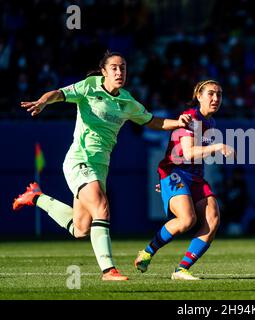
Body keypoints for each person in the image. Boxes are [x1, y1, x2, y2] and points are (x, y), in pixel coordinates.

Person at [12, 51, 192, 281]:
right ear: (104, 71)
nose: (119, 72)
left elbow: (152, 121)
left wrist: (178, 122)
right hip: (80, 159)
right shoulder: (89, 86)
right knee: (101, 206)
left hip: (100, 166)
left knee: (81, 229)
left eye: (123, 68)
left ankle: (36, 197)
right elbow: (59, 93)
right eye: (114, 68)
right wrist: (43, 101)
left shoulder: (127, 101)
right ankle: (109, 270)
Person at [134, 79, 235, 280]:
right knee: (187, 219)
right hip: (175, 172)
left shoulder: (210, 122)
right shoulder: (190, 118)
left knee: (213, 218)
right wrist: (217, 147)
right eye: (211, 94)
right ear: (199, 96)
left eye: (219, 94)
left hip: (194, 177)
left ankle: (181, 269)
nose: (216, 98)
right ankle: (147, 252)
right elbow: (187, 153)